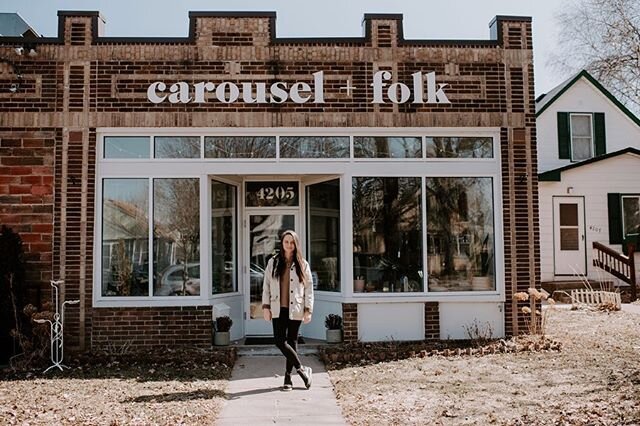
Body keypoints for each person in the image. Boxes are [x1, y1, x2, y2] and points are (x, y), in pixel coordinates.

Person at [262, 230, 313, 391]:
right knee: (279, 341)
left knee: (292, 341)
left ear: (295, 244)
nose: (289, 245)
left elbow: (309, 289)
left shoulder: (302, 264)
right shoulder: (273, 262)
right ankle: (302, 369)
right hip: (278, 308)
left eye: (292, 242)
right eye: (286, 242)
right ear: (282, 243)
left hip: (296, 308)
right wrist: (265, 307)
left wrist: (308, 309)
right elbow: (266, 286)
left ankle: (288, 378)